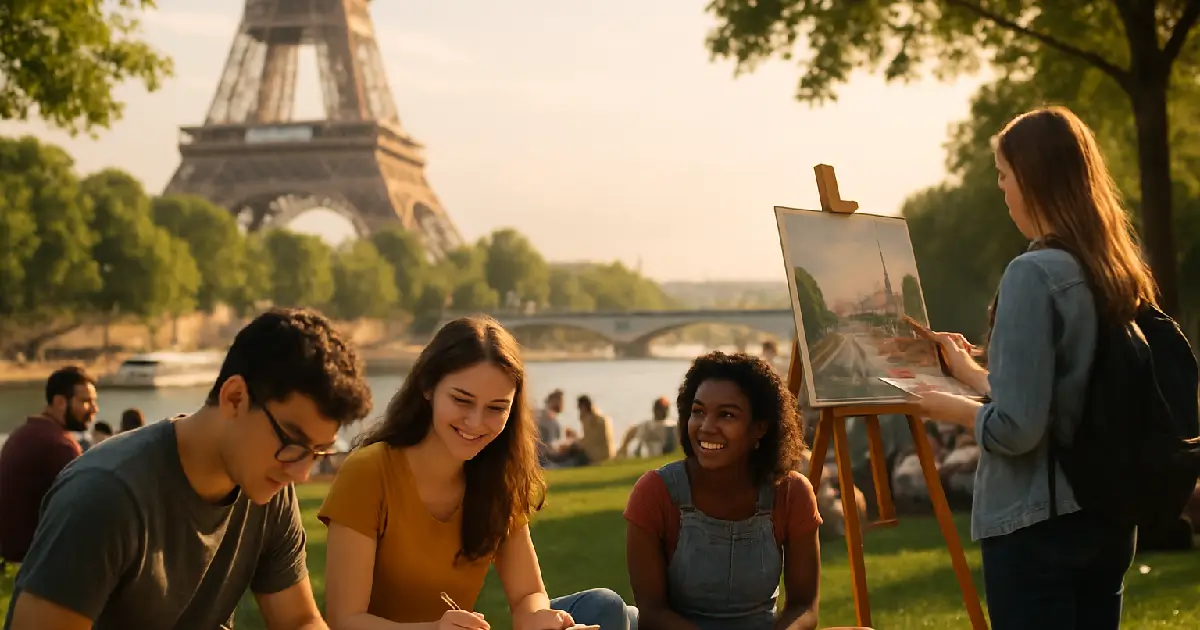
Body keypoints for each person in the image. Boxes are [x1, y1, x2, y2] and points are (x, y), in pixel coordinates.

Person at [913, 106, 1147, 629]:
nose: (1001, 190)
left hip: (1036, 522)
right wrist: (970, 374)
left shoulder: (1032, 273)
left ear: (1032, 178)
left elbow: (1018, 428)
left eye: (1003, 175)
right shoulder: (1109, 266)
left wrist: (938, 405)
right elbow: (1057, 396)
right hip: (1104, 515)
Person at [3, 308, 373, 630]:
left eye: (317, 452)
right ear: (235, 398)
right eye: (293, 443)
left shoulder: (270, 488)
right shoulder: (105, 496)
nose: (302, 473)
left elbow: (298, 621)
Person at [319, 315, 635, 630]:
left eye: (496, 408)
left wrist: (542, 619)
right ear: (428, 386)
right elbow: (345, 621)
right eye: (461, 400)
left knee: (606, 608)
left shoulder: (497, 478)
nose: (475, 422)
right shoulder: (369, 471)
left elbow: (528, 595)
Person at [623, 351, 824, 630]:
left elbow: (804, 606)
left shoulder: (791, 493)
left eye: (726, 415)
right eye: (698, 411)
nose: (706, 427)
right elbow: (652, 612)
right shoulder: (656, 493)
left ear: (759, 428)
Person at [0, 367, 98, 564]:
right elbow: (85, 511)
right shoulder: (59, 446)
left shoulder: (24, 432)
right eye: (85, 401)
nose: (94, 409)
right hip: (35, 567)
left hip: (11, 561)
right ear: (60, 402)